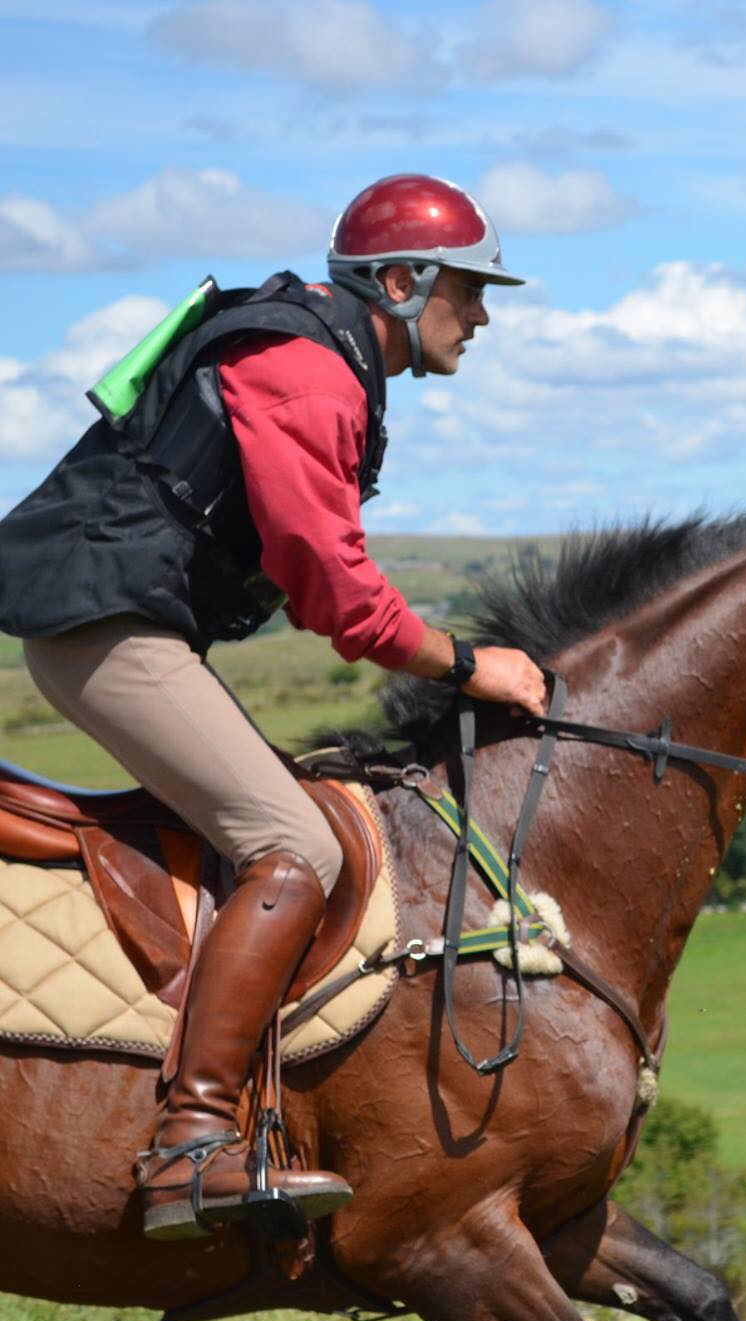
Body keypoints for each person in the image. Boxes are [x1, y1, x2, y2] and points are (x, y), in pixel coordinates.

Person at [0, 173, 548, 1241]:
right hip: (100, 630)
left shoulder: (324, 355)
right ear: (400, 282)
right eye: (469, 292)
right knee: (295, 843)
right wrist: (468, 662)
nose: (481, 318)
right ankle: (190, 1146)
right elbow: (335, 595)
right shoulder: (308, 371)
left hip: (123, 625)